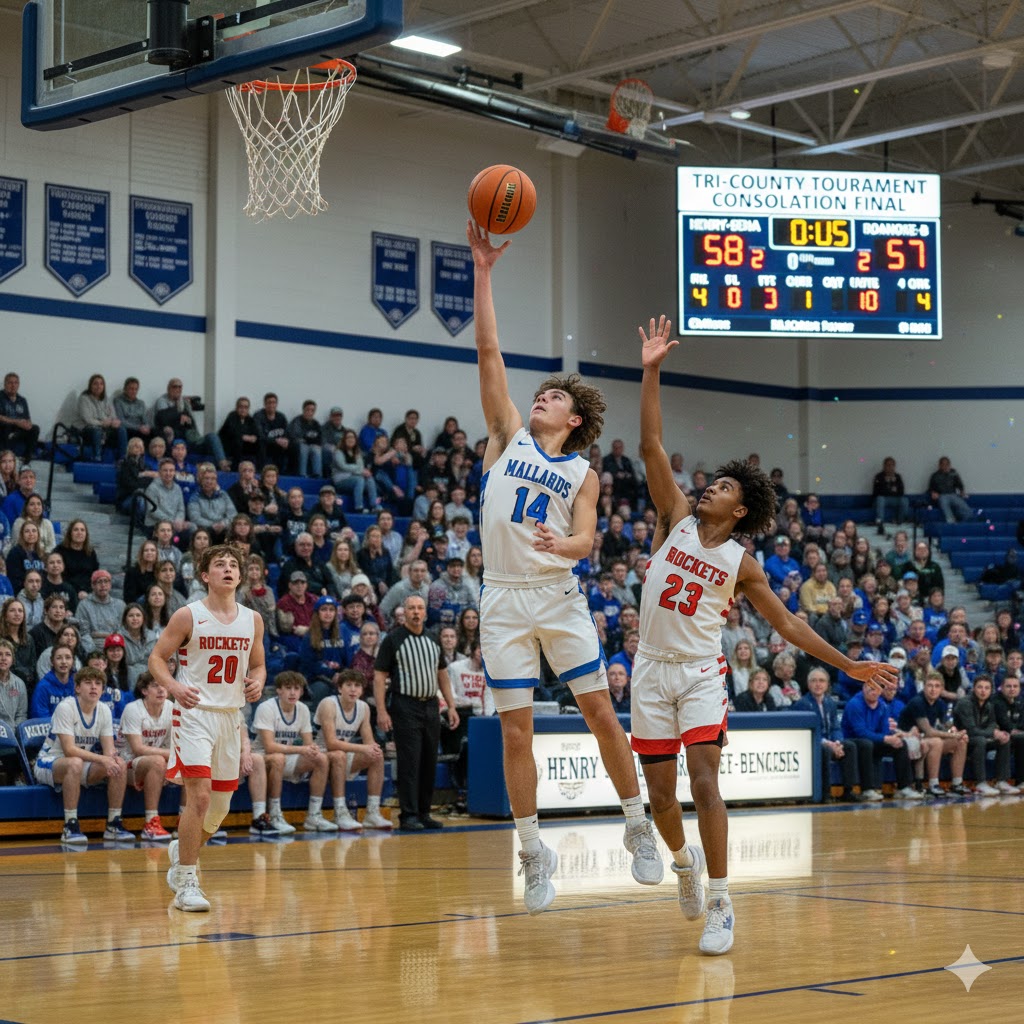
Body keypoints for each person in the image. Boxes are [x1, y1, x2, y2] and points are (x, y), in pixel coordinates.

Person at [634, 315, 897, 955]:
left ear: (740, 509)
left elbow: (788, 624)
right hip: (647, 667)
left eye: (721, 487)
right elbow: (650, 448)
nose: (708, 488)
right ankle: (684, 867)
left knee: (703, 782)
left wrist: (850, 666)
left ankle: (723, 903)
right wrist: (650, 370)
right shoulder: (674, 517)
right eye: (711, 482)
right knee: (661, 798)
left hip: (698, 671)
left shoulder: (743, 565)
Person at [466, 221, 662, 917]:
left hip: (556, 594)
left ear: (575, 420)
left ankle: (636, 825)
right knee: (517, 732)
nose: (542, 397)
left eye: (555, 397)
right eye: (540, 393)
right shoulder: (504, 436)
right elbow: (488, 350)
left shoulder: (582, 472)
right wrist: (484, 272)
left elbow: (587, 542)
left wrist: (564, 547)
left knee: (602, 716)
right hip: (501, 599)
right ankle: (530, 848)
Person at [148, 544, 266, 912]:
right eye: (220, 564)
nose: (228, 569)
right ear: (205, 575)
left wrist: (259, 681)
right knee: (198, 797)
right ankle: (186, 880)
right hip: (194, 714)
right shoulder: (188, 615)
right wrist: (175, 687)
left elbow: (259, 665)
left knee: (218, 810)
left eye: (234, 565)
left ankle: (180, 848)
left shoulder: (253, 619)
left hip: (231, 717)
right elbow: (156, 659)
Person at [373, 595, 459, 832]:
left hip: (431, 705)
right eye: (411, 608)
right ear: (405, 612)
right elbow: (380, 676)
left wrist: (450, 705)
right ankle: (408, 814)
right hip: (405, 705)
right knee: (410, 761)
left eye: (420, 608)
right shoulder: (393, 639)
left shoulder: (433, 638)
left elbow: (442, 673)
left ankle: (424, 812)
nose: (416, 612)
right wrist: (382, 710)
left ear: (425, 612)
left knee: (429, 760)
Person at [33, 665, 132, 844]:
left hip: (80, 763)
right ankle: (70, 826)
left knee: (119, 764)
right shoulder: (66, 707)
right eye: (88, 683)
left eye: (98, 683)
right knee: (74, 762)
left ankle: (113, 824)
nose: (94, 687)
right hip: (49, 761)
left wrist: (114, 758)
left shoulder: (104, 710)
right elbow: (69, 750)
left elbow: (109, 749)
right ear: (77, 688)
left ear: (103, 689)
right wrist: (104, 759)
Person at [251, 670, 337, 833]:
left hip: (286, 757)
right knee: (277, 758)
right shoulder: (266, 708)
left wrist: (312, 749)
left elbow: (308, 744)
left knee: (321, 758)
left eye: (297, 688)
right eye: (288, 688)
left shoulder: (303, 709)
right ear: (278, 690)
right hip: (262, 758)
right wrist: (302, 749)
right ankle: (275, 814)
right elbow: (269, 746)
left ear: (302, 691)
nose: (292, 692)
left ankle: (314, 815)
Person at [314, 668, 392, 829]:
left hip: (343, 756)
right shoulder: (328, 704)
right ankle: (340, 812)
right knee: (338, 754)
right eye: (348, 685)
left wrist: (374, 748)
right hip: (320, 758)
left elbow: (369, 743)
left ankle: (372, 812)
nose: (353, 689)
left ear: (362, 690)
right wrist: (363, 748)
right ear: (339, 688)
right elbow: (331, 743)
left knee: (377, 756)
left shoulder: (363, 707)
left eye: (357, 686)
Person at [116, 671, 174, 839]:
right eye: (155, 686)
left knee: (191, 764)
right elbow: (137, 749)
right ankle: (151, 823)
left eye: (164, 685)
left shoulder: (171, 708)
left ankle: (184, 821)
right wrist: (169, 756)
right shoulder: (133, 709)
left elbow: (174, 744)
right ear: (144, 691)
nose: (161, 690)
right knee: (157, 761)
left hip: (154, 762)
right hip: (125, 765)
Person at [898, 670, 969, 798]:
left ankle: (957, 784)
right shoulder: (917, 702)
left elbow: (946, 725)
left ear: (942, 689)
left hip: (925, 740)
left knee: (961, 741)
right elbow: (929, 731)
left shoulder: (940, 704)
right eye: (930, 685)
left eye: (937, 686)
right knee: (937, 741)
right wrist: (953, 735)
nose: (933, 689)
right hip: (908, 740)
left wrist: (955, 732)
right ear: (924, 687)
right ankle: (933, 784)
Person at [954, 675, 1018, 795]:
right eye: (980, 687)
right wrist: (993, 732)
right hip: (962, 740)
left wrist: (997, 733)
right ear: (973, 688)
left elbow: (992, 724)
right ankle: (980, 782)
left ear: (991, 690)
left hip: (980, 737)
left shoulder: (989, 704)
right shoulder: (965, 703)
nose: (983, 691)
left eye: (987, 688)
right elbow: (971, 730)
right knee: (980, 740)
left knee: (1004, 739)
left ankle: (1001, 781)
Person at [74, 373, 127, 462]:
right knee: (96, 430)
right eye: (95, 383)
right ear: (90, 385)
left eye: (101, 384)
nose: (98, 386)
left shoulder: (106, 399)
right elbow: (87, 419)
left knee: (122, 429)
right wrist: (102, 423)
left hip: (105, 428)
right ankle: (97, 458)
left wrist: (113, 421)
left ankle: (122, 459)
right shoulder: (84, 398)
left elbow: (113, 415)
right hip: (87, 429)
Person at [76, 569, 126, 653]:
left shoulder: (120, 605)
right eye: (99, 582)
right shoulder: (84, 605)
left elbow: (122, 630)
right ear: (93, 585)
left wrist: (98, 635)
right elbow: (83, 633)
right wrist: (94, 652)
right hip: (91, 647)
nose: (103, 585)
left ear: (110, 585)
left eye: (106, 581)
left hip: (115, 647)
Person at [0, 372, 40, 458]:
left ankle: (27, 458)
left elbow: (27, 418)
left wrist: (28, 425)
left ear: (18, 384)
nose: (13, 385)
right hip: (4, 429)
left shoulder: (22, 400)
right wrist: (16, 421)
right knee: (6, 426)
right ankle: (6, 456)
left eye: (16, 383)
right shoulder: (1, 397)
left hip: (18, 431)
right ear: (5, 384)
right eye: (10, 383)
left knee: (35, 428)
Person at [928, 456, 973, 523]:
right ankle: (951, 521)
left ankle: (963, 522)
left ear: (949, 465)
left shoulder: (953, 473)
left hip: (953, 494)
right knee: (944, 502)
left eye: (947, 464)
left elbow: (959, 484)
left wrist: (962, 491)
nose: (945, 466)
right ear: (939, 465)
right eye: (943, 464)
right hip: (942, 495)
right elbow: (930, 488)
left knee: (968, 511)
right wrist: (933, 493)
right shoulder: (935, 476)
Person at [218, 397, 261, 467]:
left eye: (246, 407)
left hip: (244, 446)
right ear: (237, 408)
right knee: (238, 440)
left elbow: (256, 433)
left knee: (260, 442)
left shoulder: (250, 420)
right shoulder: (232, 416)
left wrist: (254, 437)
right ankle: (235, 467)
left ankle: (259, 468)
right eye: (241, 407)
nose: (243, 409)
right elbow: (231, 432)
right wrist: (243, 437)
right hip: (229, 444)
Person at [254, 392, 291, 471]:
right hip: (264, 444)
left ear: (276, 404)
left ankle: (287, 472)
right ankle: (261, 471)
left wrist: (286, 440)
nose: (271, 405)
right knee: (261, 444)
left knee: (292, 445)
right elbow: (260, 435)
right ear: (264, 404)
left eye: (274, 402)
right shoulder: (258, 416)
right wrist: (276, 440)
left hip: (278, 445)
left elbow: (287, 433)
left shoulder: (281, 417)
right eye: (269, 402)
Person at [871, 457, 909, 530]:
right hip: (881, 500)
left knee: (904, 500)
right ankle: (880, 522)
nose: (890, 467)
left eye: (892, 465)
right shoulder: (879, 477)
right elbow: (877, 492)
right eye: (888, 465)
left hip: (894, 499)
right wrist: (889, 486)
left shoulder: (897, 477)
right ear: (884, 466)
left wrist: (890, 488)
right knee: (880, 499)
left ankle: (900, 521)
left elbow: (901, 492)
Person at [113, 376, 152, 443]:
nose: (134, 391)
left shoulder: (141, 403)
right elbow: (121, 420)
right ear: (125, 389)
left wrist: (146, 427)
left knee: (156, 432)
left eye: (136, 389)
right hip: (128, 429)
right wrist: (139, 428)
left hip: (141, 429)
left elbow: (145, 419)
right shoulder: (118, 401)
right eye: (131, 389)